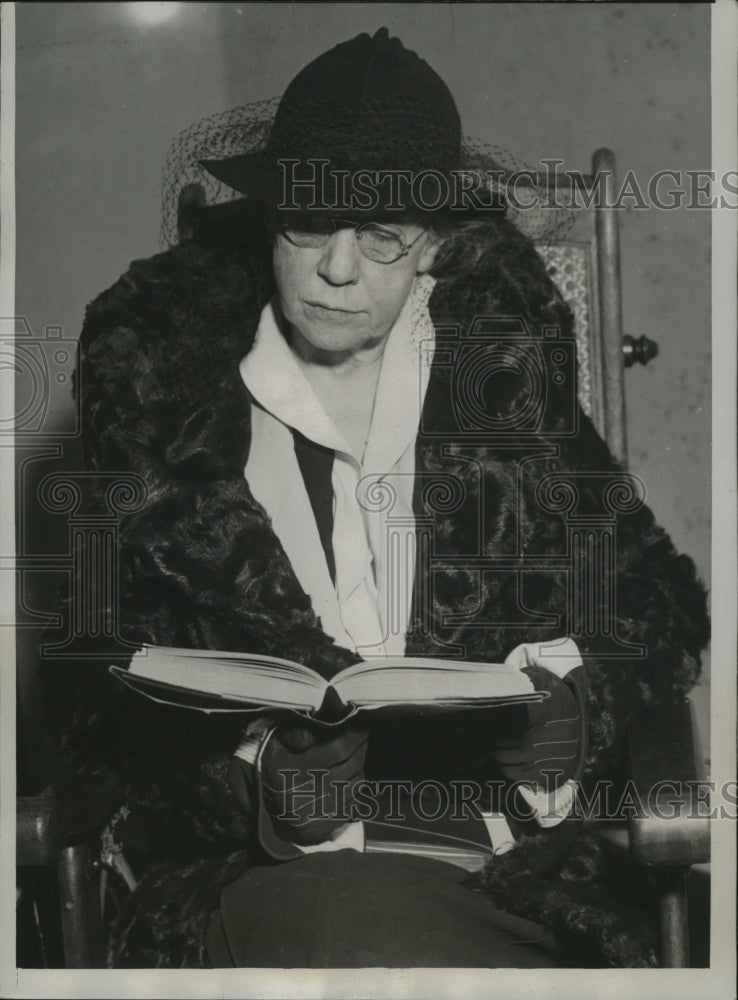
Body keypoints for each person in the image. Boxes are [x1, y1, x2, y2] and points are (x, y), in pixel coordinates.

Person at [39, 29, 709, 969]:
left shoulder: (504, 382)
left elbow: (653, 599)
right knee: (338, 928)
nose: (337, 267)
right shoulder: (167, 407)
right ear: (269, 218)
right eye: (309, 223)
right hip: (262, 882)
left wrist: (578, 713)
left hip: (505, 875)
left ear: (434, 242)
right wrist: (255, 777)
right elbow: (92, 683)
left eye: (382, 234)